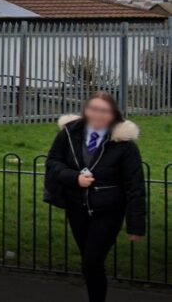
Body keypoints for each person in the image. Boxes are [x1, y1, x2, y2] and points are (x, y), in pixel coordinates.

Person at [44, 92, 146, 302]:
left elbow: (134, 185)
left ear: (113, 115)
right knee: (89, 263)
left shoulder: (124, 144)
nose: (98, 115)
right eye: (94, 109)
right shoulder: (69, 134)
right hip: (77, 207)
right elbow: (53, 163)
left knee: (92, 261)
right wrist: (74, 178)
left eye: (104, 110)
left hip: (108, 210)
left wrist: (135, 224)